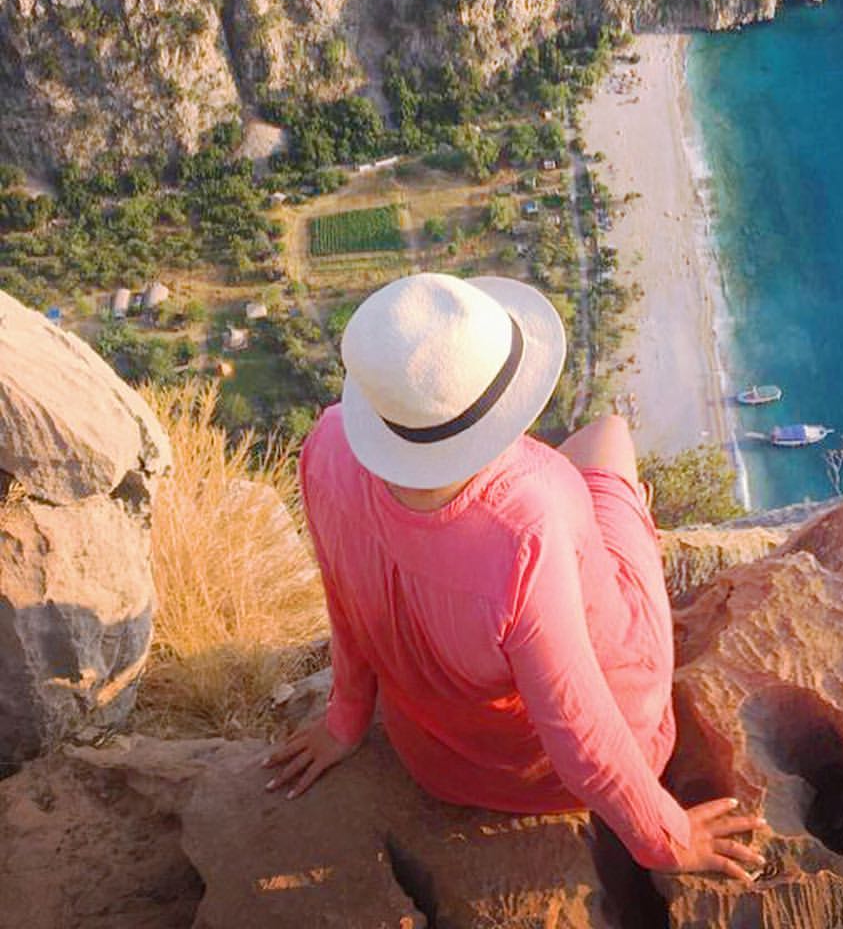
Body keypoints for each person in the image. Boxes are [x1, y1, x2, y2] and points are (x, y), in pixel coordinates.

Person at [264, 271, 765, 881]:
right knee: (607, 436)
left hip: (434, 756)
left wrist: (345, 720)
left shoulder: (328, 449)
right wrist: (668, 837)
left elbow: (345, 606)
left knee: (581, 478)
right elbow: (579, 729)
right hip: (546, 773)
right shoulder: (532, 516)